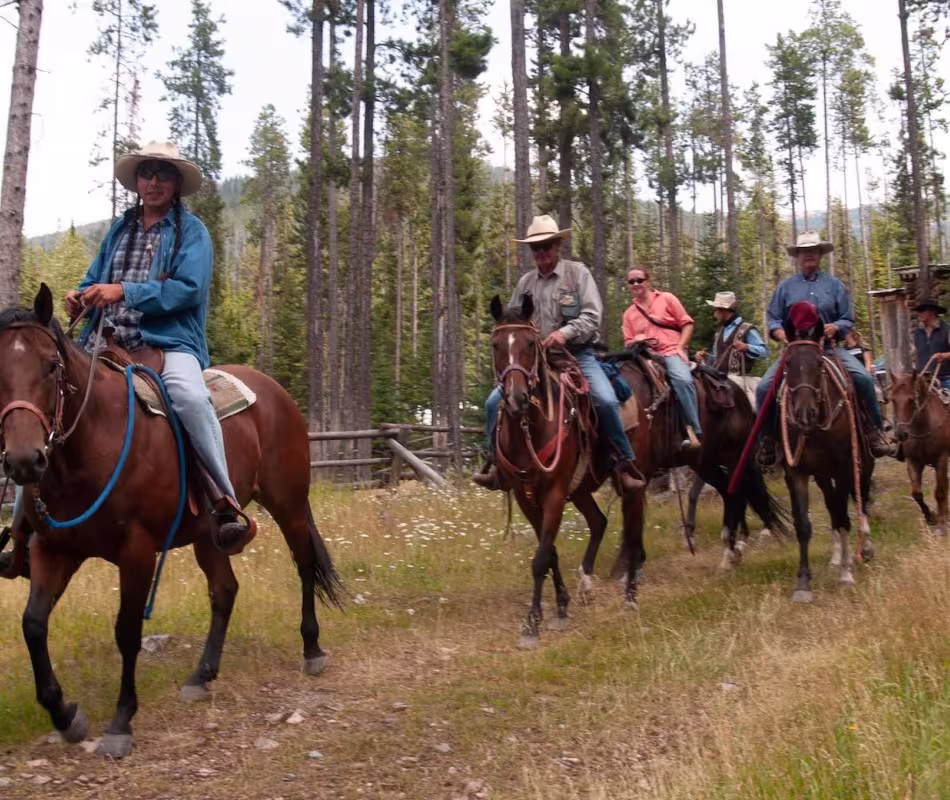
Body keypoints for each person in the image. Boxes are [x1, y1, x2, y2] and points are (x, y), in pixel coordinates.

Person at [57, 140, 254, 550]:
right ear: (137, 181)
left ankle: (224, 500)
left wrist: (122, 292)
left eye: (163, 174)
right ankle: (26, 529)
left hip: (168, 342)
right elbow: (94, 276)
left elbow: (188, 289)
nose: (154, 182)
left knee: (189, 398)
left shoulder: (193, 232)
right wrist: (80, 294)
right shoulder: (119, 228)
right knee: (50, 394)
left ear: (176, 183)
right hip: (103, 339)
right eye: (147, 173)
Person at [472, 215, 645, 493]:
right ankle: (495, 464)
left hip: (577, 355)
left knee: (605, 399)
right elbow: (513, 320)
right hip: (534, 361)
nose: (541, 253)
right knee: (494, 402)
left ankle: (623, 463)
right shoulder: (525, 283)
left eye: (546, 246)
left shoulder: (578, 274)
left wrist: (564, 333)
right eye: (535, 248)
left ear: (558, 245)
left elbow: (592, 315)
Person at [755, 230, 895, 463]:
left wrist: (835, 327)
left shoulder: (835, 285)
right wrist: (780, 333)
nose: (808, 255)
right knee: (763, 388)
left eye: (813, 251)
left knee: (863, 379)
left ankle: (874, 431)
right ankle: (769, 439)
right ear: (798, 256)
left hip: (829, 349)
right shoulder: (785, 287)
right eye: (804, 251)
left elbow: (848, 318)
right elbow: (773, 318)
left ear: (820, 254)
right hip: (796, 351)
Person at [622, 267, 703, 450]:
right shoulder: (629, 314)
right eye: (631, 281)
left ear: (648, 281)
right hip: (644, 355)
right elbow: (627, 343)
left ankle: (694, 430)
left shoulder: (667, 298)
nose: (636, 284)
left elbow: (687, 323)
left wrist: (681, 348)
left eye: (639, 280)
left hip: (670, 350)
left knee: (682, 380)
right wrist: (636, 340)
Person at [695, 290, 767, 406]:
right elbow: (718, 359)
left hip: (740, 382)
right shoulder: (719, 332)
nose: (715, 315)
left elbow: (765, 351)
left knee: (754, 408)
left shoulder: (746, 329)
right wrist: (706, 357)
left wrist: (747, 347)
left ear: (724, 310)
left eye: (717, 310)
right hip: (719, 382)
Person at [913, 297, 950, 390]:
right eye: (918, 311)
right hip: (922, 380)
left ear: (932, 311)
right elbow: (915, 355)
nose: (919, 314)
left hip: (945, 378)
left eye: (922, 310)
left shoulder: (947, 330)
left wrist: (944, 355)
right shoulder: (917, 332)